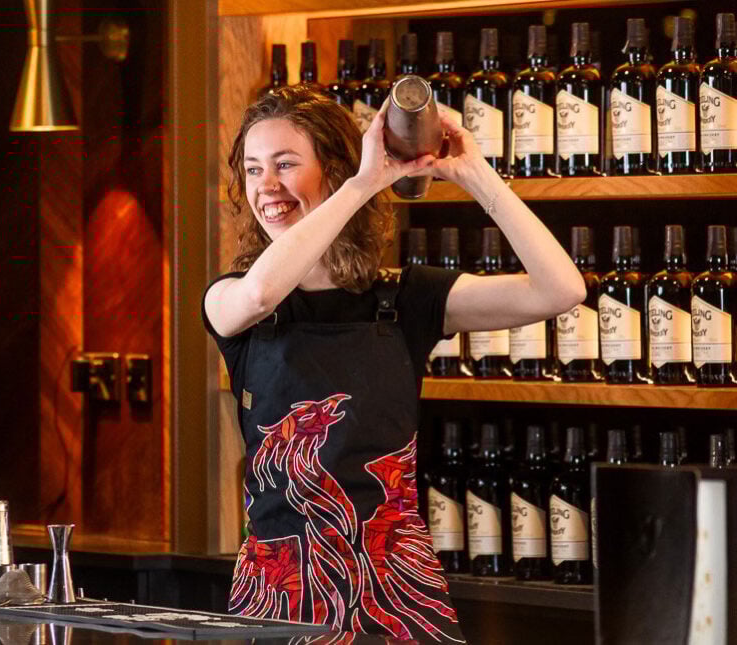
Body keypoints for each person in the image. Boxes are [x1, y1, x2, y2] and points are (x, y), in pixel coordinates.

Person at [202, 85, 584, 641]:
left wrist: (477, 175)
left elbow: (561, 290)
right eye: (254, 169)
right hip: (280, 588)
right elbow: (261, 294)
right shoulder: (231, 298)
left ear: (332, 170)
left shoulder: (406, 298)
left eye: (285, 164)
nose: (267, 187)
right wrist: (363, 185)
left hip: (398, 585)